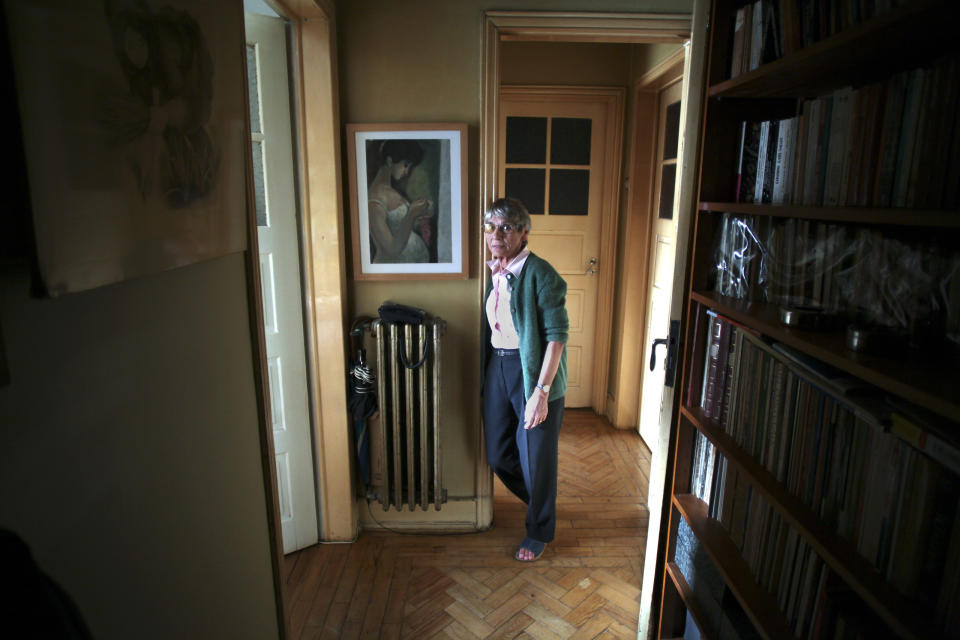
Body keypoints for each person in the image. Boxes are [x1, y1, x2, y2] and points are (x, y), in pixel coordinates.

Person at [482, 197, 568, 562]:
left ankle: (539, 530)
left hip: (533, 373)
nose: (496, 234)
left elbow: (556, 336)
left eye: (506, 227)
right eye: (490, 227)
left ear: (523, 233)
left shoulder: (541, 273)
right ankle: (540, 503)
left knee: (536, 457)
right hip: (498, 368)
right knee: (499, 455)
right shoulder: (497, 273)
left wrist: (541, 392)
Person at [367, 139, 435, 263]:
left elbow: (402, 226)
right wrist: (411, 214)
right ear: (390, 161)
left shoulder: (391, 190)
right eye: (405, 165)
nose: (407, 171)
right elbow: (391, 249)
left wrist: (422, 211)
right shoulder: (375, 200)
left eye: (410, 166)